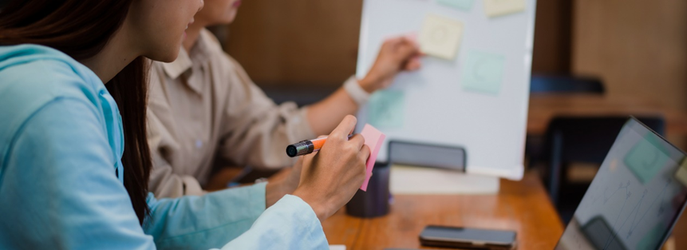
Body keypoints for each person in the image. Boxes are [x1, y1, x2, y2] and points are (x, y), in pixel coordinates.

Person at [0, 0, 369, 248]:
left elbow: (148, 221)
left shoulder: (88, 88)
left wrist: (287, 190)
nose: (199, 2)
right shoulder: (53, 103)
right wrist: (310, 203)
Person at [147, 0, 421, 198]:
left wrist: (369, 83)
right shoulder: (140, 71)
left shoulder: (209, 53)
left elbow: (274, 132)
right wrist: (280, 191)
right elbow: (158, 208)